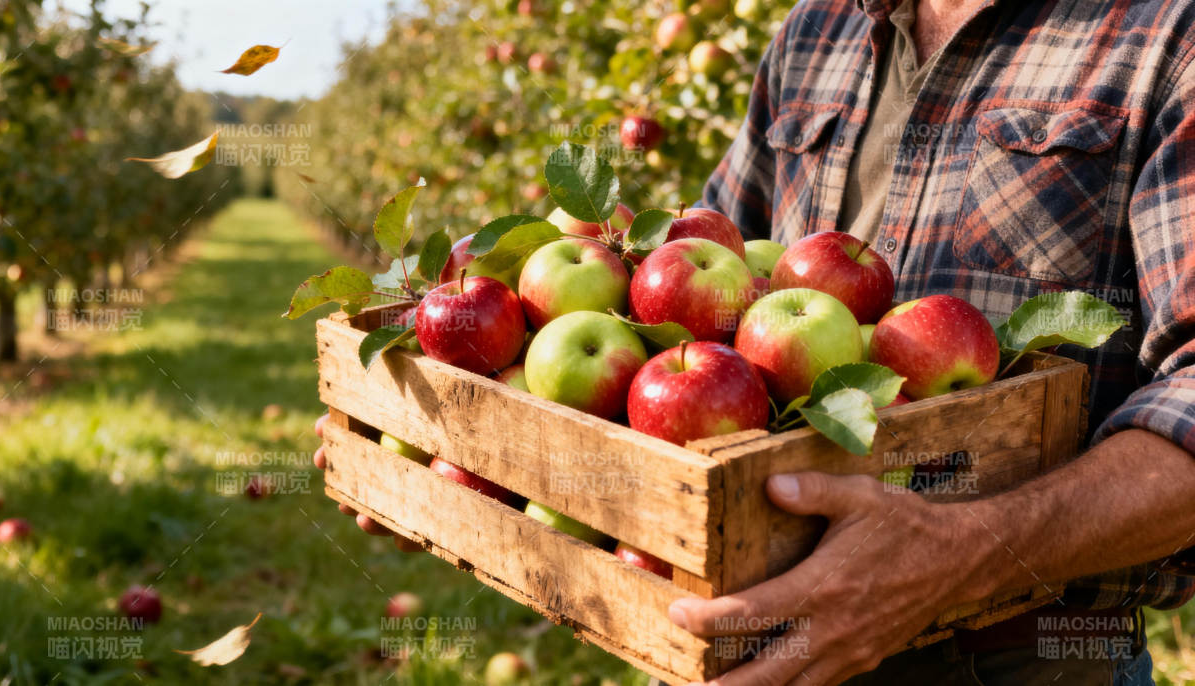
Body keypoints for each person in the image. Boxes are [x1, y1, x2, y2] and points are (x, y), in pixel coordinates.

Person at [319, 0, 1195, 683]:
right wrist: (462, 458)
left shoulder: (1163, 33)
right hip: (747, 645)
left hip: (1018, 662)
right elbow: (688, 295)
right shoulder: (818, 32)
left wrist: (967, 557)